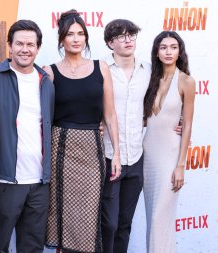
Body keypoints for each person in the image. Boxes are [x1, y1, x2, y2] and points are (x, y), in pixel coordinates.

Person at [44, 10, 121, 253]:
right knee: (63, 214)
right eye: (70, 34)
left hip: (92, 151)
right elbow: (43, 118)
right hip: (60, 149)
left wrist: (116, 153)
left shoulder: (102, 68)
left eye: (80, 34)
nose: (76, 39)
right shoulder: (50, 71)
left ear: (86, 37)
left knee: (88, 215)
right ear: (61, 39)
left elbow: (109, 115)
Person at [0, 20, 55, 253]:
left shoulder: (45, 81)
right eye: (19, 44)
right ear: (9, 46)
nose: (25, 49)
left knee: (32, 247)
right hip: (5, 181)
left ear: (38, 47)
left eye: (30, 44)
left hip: (39, 182)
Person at [143, 31, 195, 253]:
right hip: (146, 156)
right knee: (153, 218)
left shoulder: (186, 81)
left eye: (173, 47)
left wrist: (180, 166)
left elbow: (189, 124)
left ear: (179, 51)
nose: (168, 52)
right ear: (157, 51)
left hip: (170, 156)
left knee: (159, 217)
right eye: (163, 47)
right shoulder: (149, 78)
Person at [101, 19, 150, 253]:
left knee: (124, 223)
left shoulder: (148, 70)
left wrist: (178, 122)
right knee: (108, 224)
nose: (128, 39)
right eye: (121, 36)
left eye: (131, 34)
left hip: (136, 156)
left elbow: (163, 101)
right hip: (110, 156)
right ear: (110, 43)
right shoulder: (101, 69)